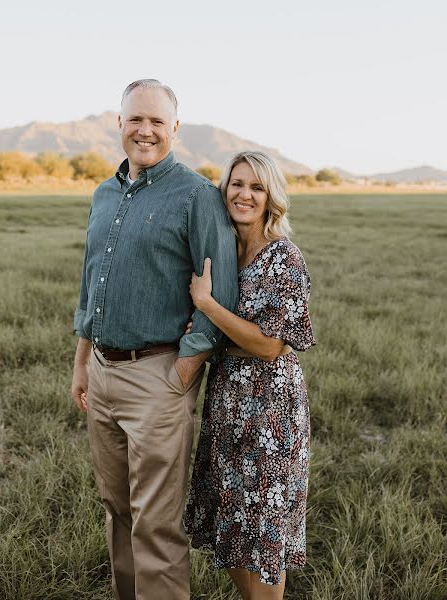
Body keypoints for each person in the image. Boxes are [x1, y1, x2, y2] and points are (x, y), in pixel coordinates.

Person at [70, 79, 238, 600]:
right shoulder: (104, 194)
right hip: (100, 371)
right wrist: (82, 363)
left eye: (157, 122)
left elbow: (222, 294)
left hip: (158, 377)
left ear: (175, 130)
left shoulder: (196, 196)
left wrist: (184, 371)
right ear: (119, 123)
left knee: (156, 524)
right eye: (135, 119)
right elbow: (90, 281)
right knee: (118, 509)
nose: (145, 130)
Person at [184, 151, 315, 600]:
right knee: (232, 522)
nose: (244, 194)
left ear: (271, 197)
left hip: (270, 414)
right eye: (237, 184)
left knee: (263, 533)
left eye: (256, 187)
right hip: (227, 405)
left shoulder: (283, 258)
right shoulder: (224, 253)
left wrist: (208, 309)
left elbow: (269, 344)